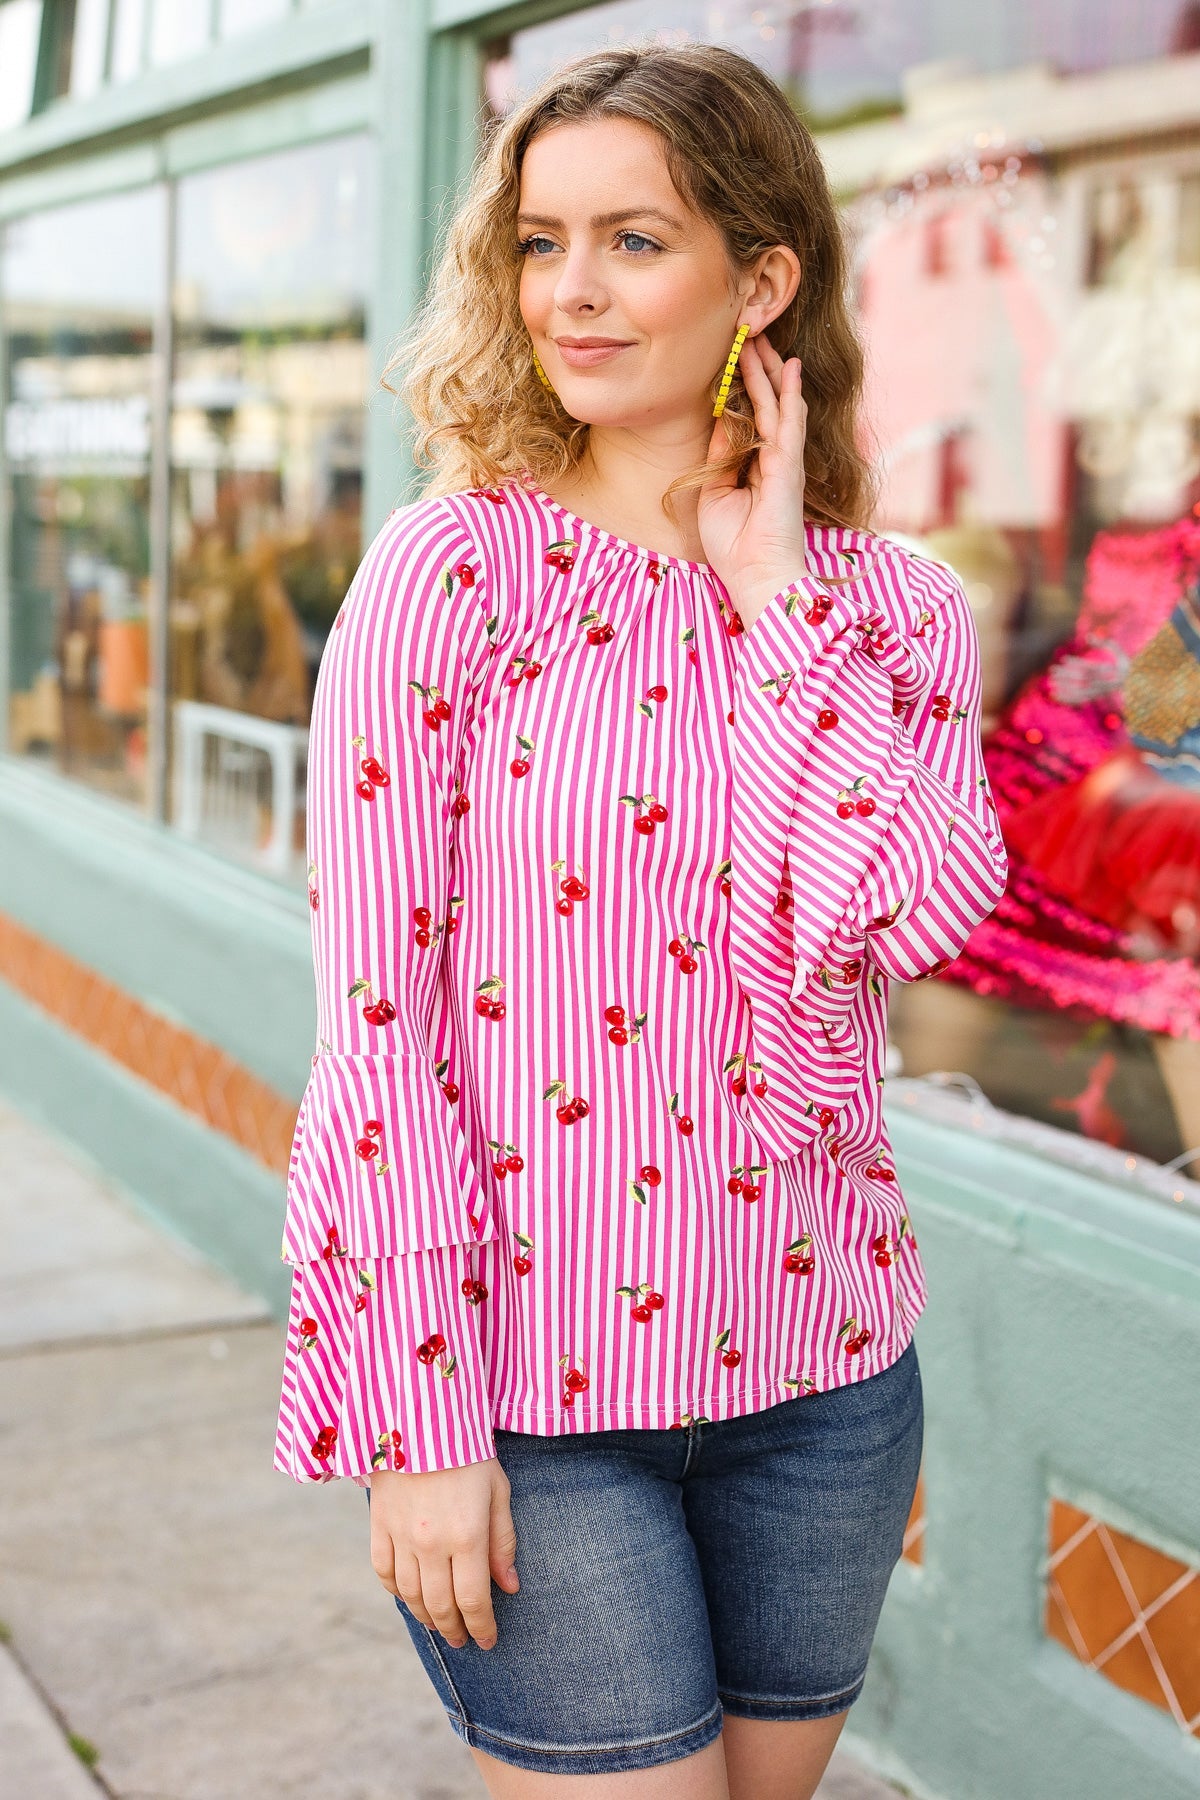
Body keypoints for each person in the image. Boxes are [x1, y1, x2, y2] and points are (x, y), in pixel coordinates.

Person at [273, 43, 1008, 1800]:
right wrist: (418, 1417)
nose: (573, 294)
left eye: (632, 241)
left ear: (763, 278)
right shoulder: (451, 576)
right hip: (529, 1398)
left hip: (822, 1382)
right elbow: (380, 1025)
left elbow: (912, 911)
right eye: (540, 244)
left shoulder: (888, 612)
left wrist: (774, 602)